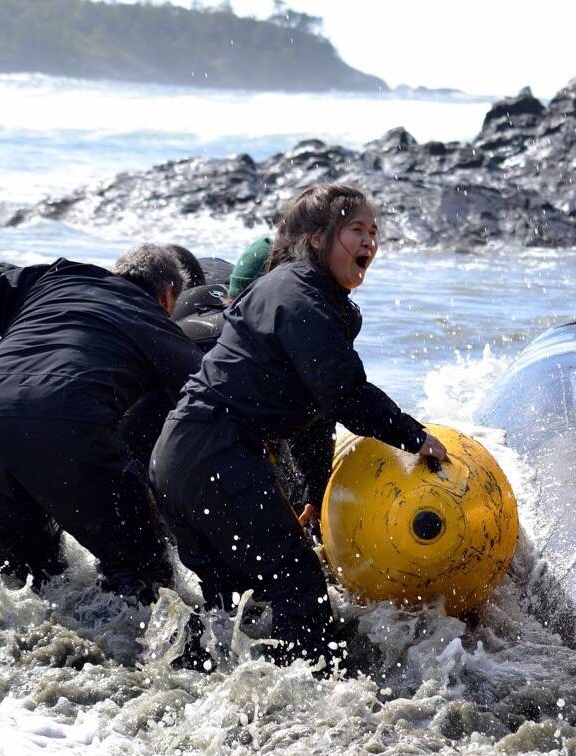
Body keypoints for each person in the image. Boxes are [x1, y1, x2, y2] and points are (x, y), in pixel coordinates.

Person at [149, 183, 447, 668]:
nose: (370, 242)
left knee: (234, 603)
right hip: (216, 454)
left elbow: (314, 415)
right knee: (299, 583)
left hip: (178, 459)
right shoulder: (301, 298)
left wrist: (314, 491)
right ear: (316, 238)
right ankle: (308, 709)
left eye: (374, 232)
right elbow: (345, 394)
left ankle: (195, 693)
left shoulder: (289, 289)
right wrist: (415, 436)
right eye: (356, 230)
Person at [0, 245, 203, 601]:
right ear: (166, 296)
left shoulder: (49, 280)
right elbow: (210, 393)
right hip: (67, 428)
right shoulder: (149, 317)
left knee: (26, 587)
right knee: (142, 574)